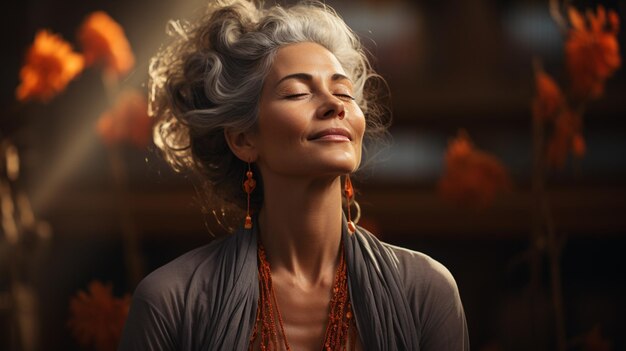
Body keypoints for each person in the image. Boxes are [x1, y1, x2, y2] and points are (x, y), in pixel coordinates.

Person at [119, 0, 469, 350]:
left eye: (343, 91)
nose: (335, 104)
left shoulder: (425, 291)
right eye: (298, 92)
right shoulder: (172, 302)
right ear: (243, 140)